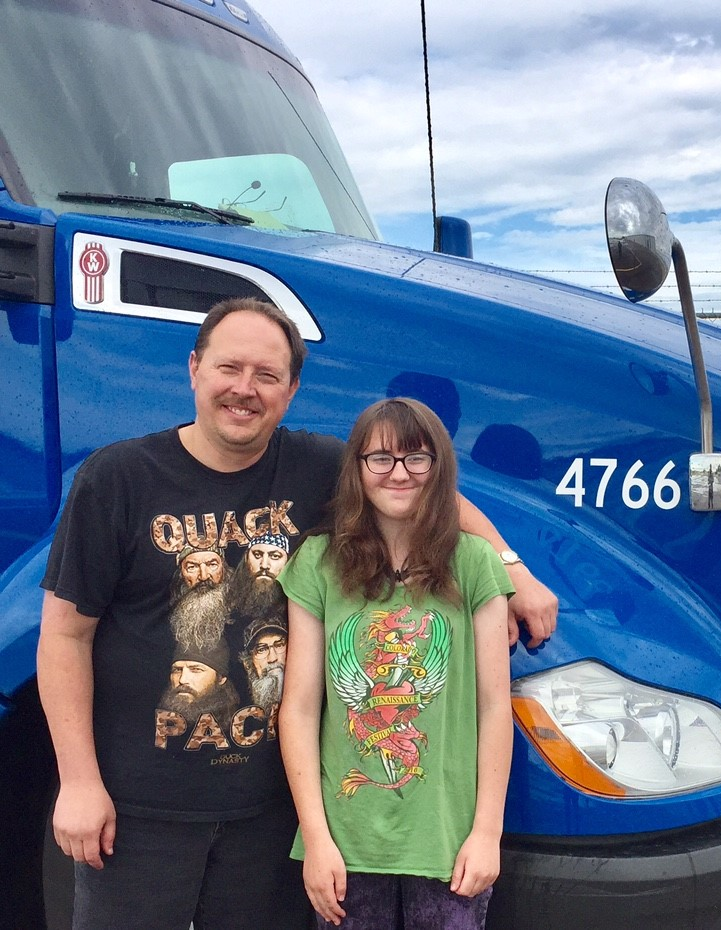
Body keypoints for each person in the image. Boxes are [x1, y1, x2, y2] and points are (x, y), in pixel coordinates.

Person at [37, 298, 556, 930]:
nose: (244, 390)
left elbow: (422, 489)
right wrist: (78, 782)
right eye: (230, 368)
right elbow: (65, 635)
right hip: (140, 812)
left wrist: (513, 569)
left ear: (291, 391)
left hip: (269, 819)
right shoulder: (117, 478)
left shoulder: (314, 467)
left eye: (267, 375)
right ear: (195, 369)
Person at [278, 397, 512, 928]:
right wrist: (315, 839)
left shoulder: (474, 562)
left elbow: (496, 707)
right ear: (357, 471)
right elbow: (298, 708)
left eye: (416, 457)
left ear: (439, 467)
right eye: (379, 458)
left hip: (449, 841)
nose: (398, 472)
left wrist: (486, 833)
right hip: (346, 842)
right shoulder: (318, 563)